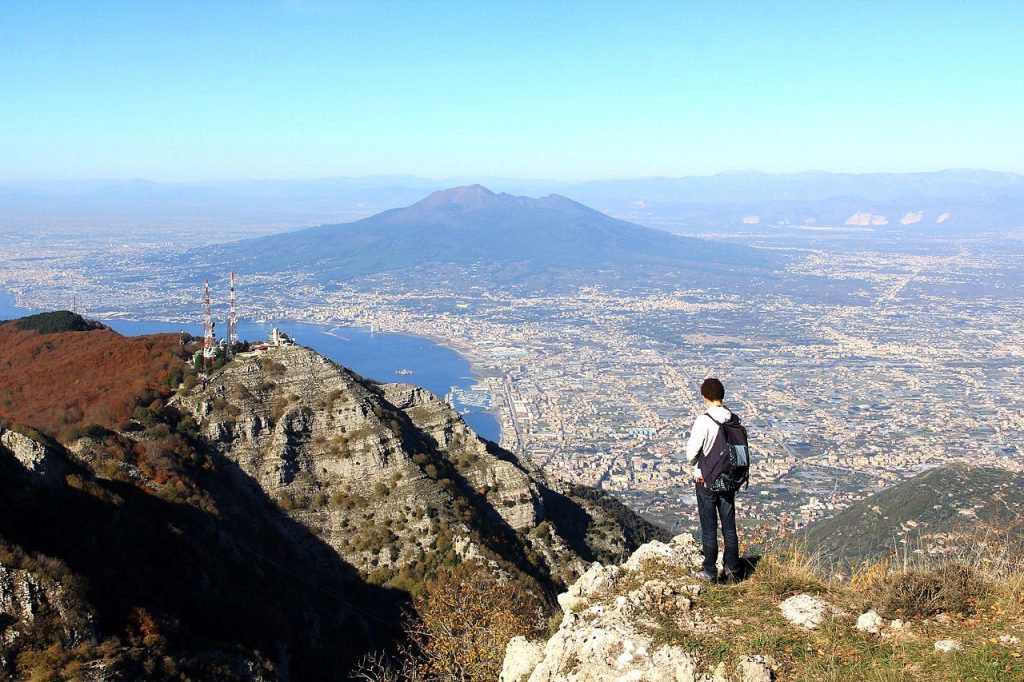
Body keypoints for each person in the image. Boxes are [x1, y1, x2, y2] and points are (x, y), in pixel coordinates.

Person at [685, 377, 743, 583]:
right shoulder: (733, 419)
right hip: (729, 480)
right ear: (722, 396)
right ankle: (733, 571)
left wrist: (697, 462)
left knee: (709, 527)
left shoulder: (704, 420)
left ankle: (709, 571)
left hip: (706, 481)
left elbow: (691, 453)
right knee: (729, 526)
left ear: (705, 397)